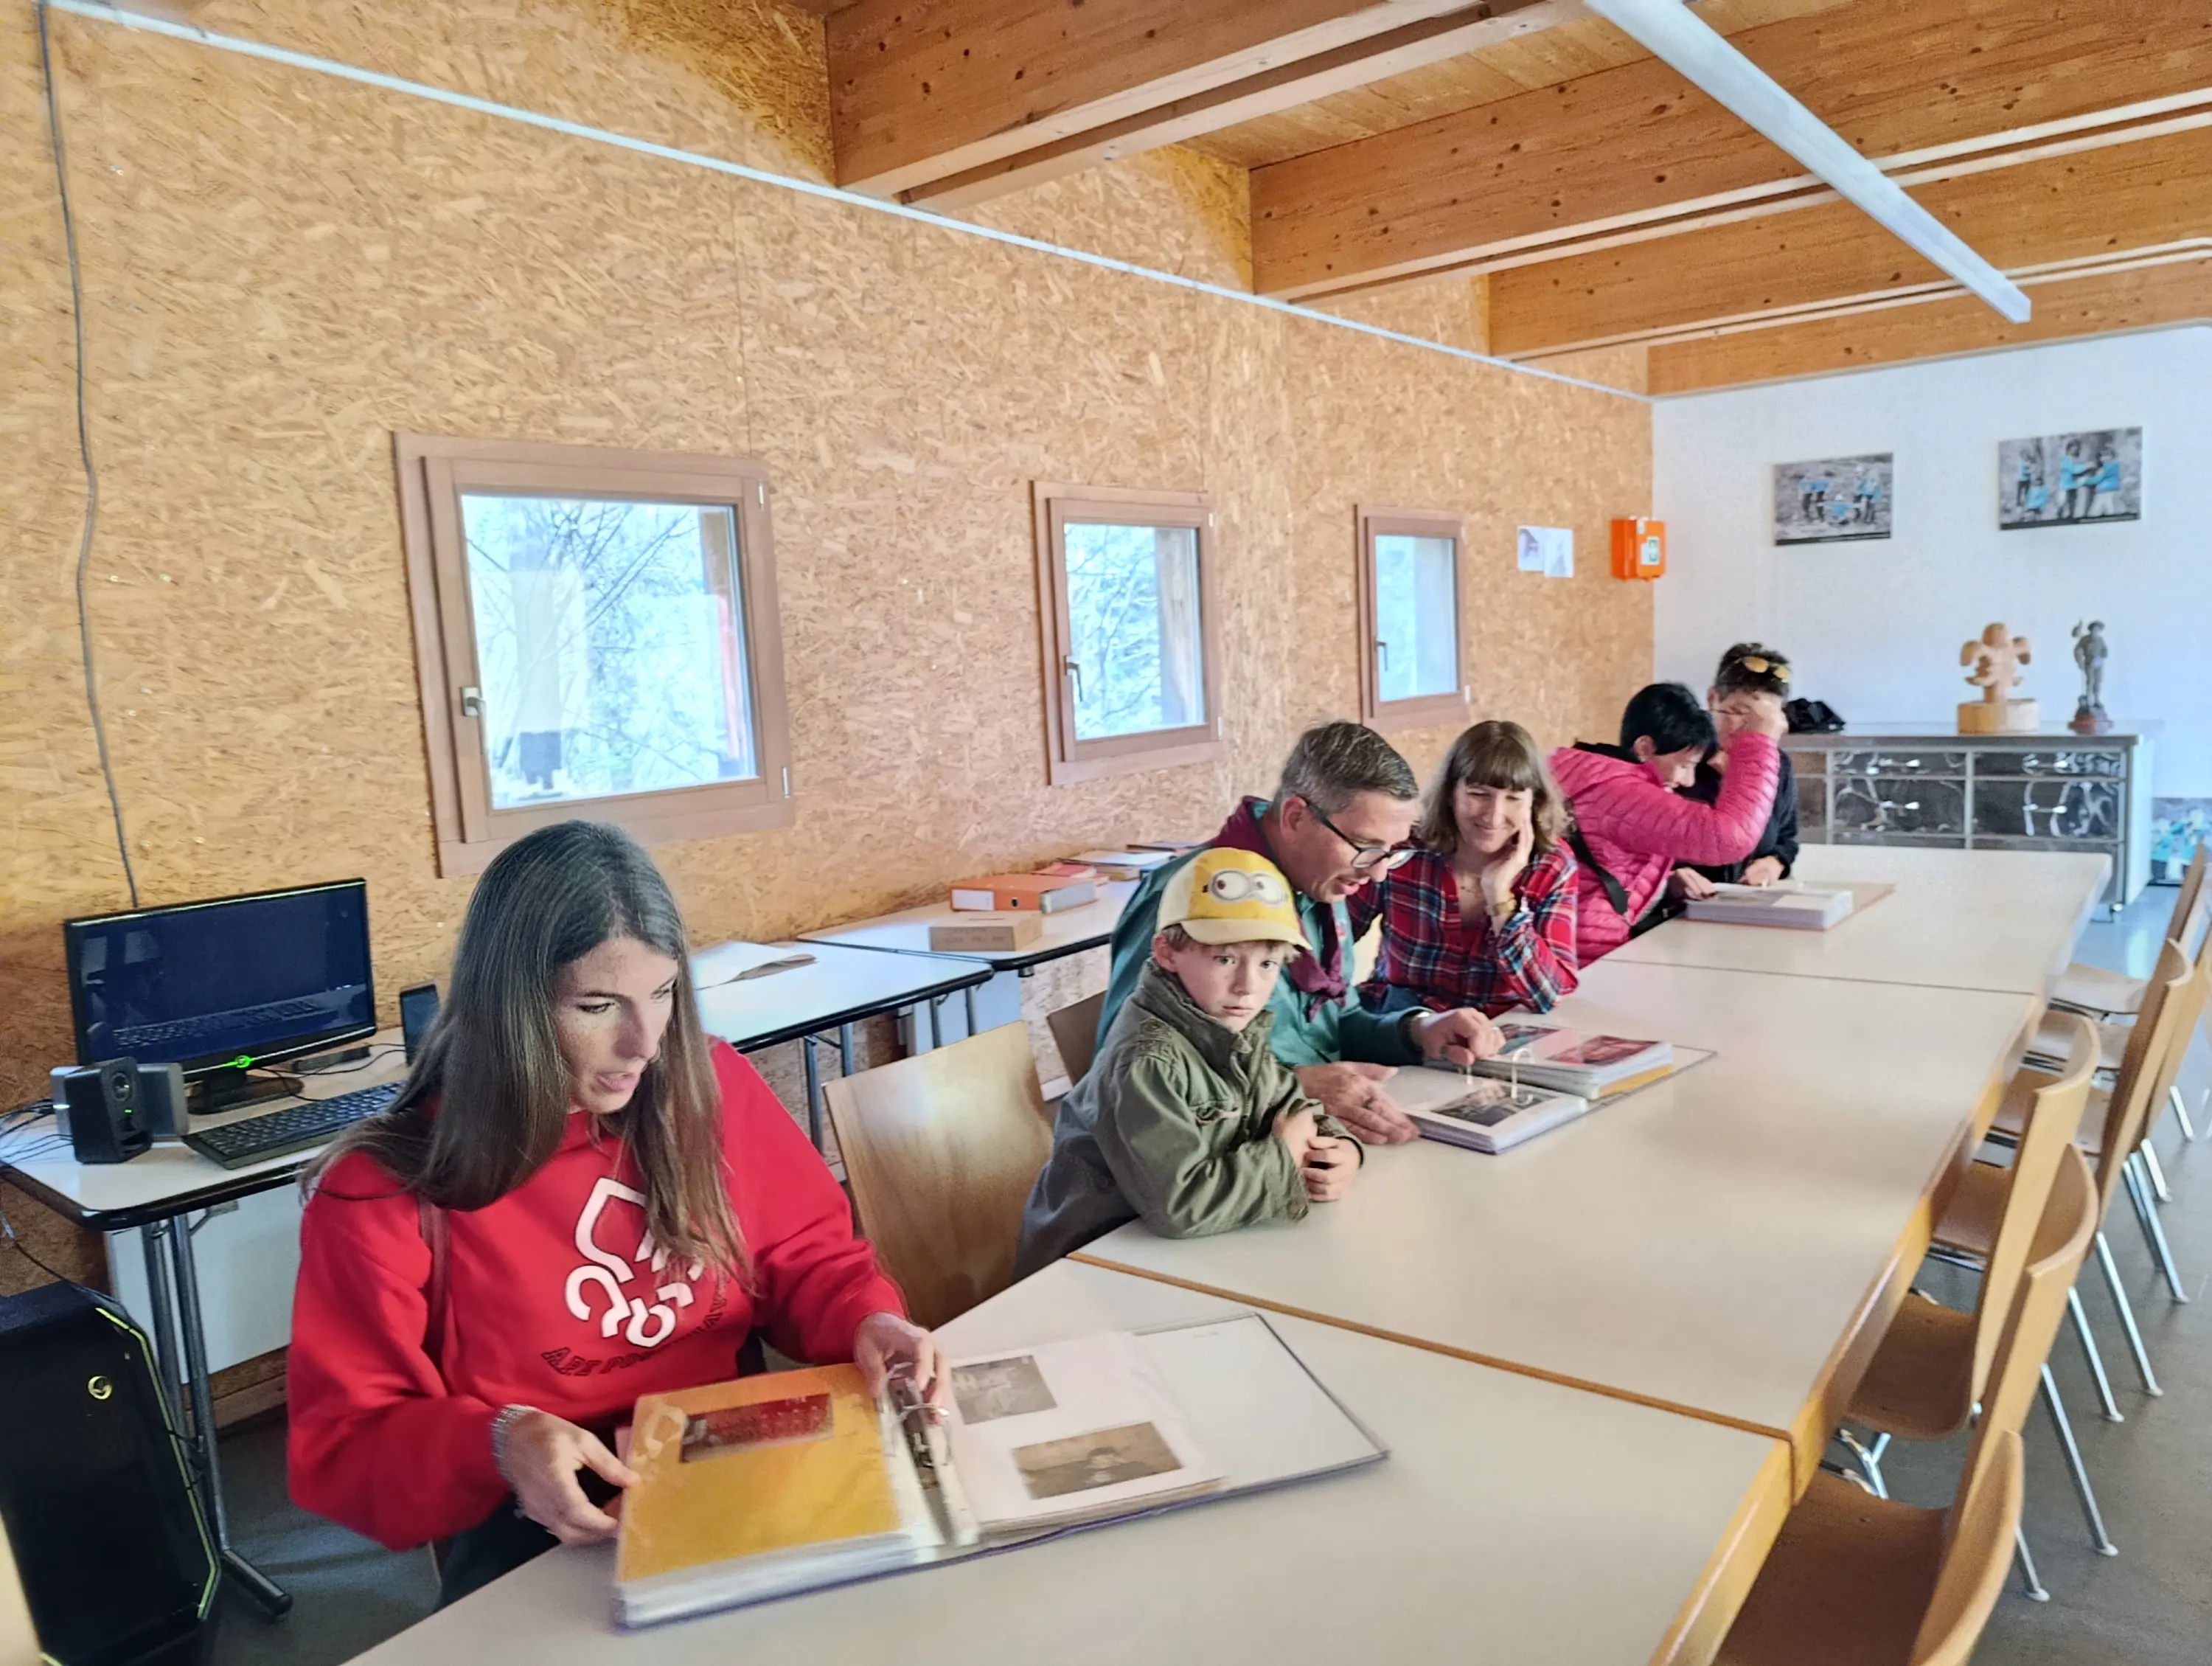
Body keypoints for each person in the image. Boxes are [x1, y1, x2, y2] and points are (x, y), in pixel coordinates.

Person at [287, 822, 938, 1606]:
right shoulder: (385, 1190)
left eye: (662, 994)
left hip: (735, 1472)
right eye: (596, 1005)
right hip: (544, 1527)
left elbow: (809, 1261)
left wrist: (868, 1318)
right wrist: (496, 1442)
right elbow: (345, 1448)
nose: (643, 1043)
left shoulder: (711, 1087)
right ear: (512, 1006)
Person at [1097, 721, 1505, 1147]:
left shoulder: (1322, 884)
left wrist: (1416, 1032)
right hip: (1217, 1160)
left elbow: (1336, 1025)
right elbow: (1125, 1071)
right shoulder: (1189, 900)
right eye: (1366, 847)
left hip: (1312, 1140)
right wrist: (1292, 1085)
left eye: (1392, 852)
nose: (1379, 873)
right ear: (1295, 817)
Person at [1017, 849, 1361, 1278]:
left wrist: (1340, 1151)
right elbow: (1181, 1207)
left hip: (1179, 1258)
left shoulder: (1231, 1027)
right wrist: (1287, 1153)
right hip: (1087, 1272)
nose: (1247, 986)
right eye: (1225, 959)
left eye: (1268, 964)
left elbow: (1293, 1112)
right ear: (1166, 952)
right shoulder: (1146, 1061)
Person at [1548, 682, 1786, 962]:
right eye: (1685, 765)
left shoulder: (1596, 776)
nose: (1689, 780)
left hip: (1577, 950)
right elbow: (1729, 837)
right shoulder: (1622, 794)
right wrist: (1759, 743)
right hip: (1580, 961)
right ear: (1645, 748)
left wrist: (1668, 883)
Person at [1361, 719, 1579, 1017]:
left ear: (1533, 804)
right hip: (1403, 1024)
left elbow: (1550, 994)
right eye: (1479, 794)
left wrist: (1500, 898)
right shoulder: (1404, 850)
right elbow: (1334, 933)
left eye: (1513, 799)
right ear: (1451, 794)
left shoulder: (1552, 866)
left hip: (1498, 1033)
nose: (1494, 816)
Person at [1681, 645, 1800, 890]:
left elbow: (1786, 839)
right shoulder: (1679, 760)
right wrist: (1669, 879)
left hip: (1747, 904)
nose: (1752, 729)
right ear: (1713, 699)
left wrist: (1775, 862)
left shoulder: (1780, 766)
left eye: (1765, 720)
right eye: (1741, 712)